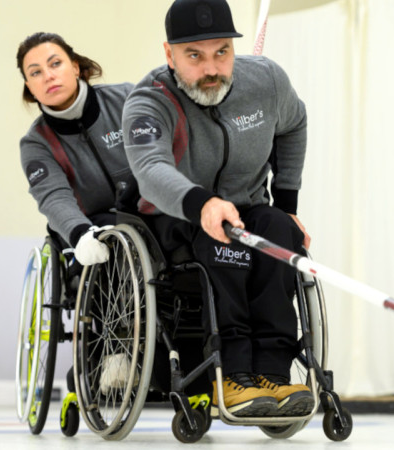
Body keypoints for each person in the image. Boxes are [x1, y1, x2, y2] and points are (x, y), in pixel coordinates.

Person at [123, 0, 313, 417]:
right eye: (194, 55)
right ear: (169, 54)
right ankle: (233, 374)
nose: (211, 69)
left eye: (221, 52)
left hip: (246, 208)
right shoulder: (147, 102)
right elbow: (149, 167)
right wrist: (203, 203)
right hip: (174, 218)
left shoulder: (266, 81)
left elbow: (294, 124)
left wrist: (287, 203)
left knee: (281, 232)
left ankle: (273, 375)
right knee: (221, 239)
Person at [16, 32, 135, 390]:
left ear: (77, 67)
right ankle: (115, 351)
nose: (48, 76)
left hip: (151, 212)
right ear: (29, 87)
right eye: (35, 72)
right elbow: (53, 197)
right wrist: (79, 232)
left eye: (55, 64)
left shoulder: (128, 100)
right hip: (92, 227)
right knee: (109, 240)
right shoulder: (36, 143)